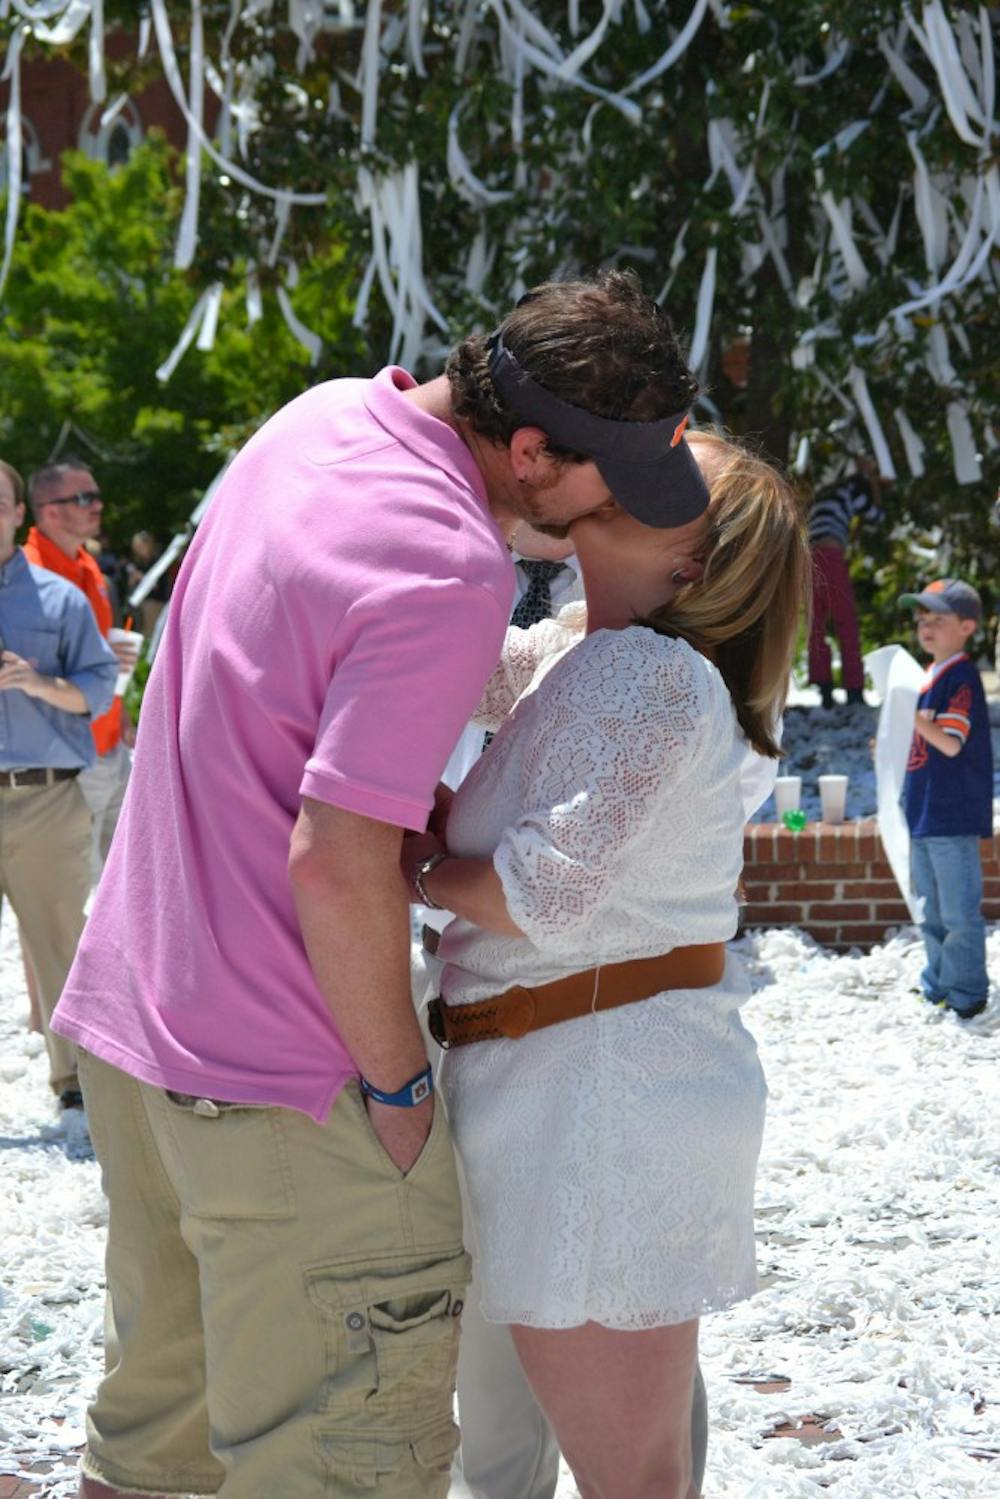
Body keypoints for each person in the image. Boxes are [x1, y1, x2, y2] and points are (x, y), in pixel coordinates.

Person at [51, 270, 712, 1499]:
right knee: (349, 1460)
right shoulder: (448, 563)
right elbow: (337, 855)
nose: (600, 516)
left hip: (136, 1019)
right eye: (599, 483)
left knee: (151, 1451)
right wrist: (397, 1081)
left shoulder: (324, 414)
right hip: (285, 1078)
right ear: (527, 449)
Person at [402, 427, 809, 1499]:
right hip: (574, 1083)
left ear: (691, 561)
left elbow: (545, 889)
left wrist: (419, 870)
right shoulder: (589, 649)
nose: (635, 462)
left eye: (672, 473)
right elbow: (444, 666)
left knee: (633, 1478)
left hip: (596, 1102)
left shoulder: (644, 669)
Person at [0, 459, 117, 1107]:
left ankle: (76, 1080)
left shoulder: (61, 599)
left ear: (20, 514)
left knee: (60, 942)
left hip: (44, 798)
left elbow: (98, 689)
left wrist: (35, 681)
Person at [24, 462, 138, 878]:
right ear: (49, 511)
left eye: (96, 495)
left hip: (110, 747)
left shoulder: (90, 567)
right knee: (69, 895)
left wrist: (122, 709)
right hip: (64, 760)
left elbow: (99, 658)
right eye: (84, 498)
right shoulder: (23, 577)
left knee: (121, 886)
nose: (98, 505)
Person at [900, 578, 993, 1020]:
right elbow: (923, 740)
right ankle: (938, 982)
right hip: (922, 813)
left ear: (967, 626)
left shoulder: (961, 677)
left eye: (939, 618)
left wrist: (910, 720)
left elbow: (951, 742)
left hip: (950, 815)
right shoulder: (927, 678)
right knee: (931, 911)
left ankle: (968, 992)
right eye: (922, 619)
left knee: (957, 913)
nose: (926, 627)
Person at [807, 464, 886, 708]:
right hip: (831, 555)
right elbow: (877, 515)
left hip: (809, 557)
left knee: (816, 625)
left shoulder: (824, 494)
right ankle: (854, 689)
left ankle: (825, 689)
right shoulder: (852, 489)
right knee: (846, 622)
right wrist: (875, 485)